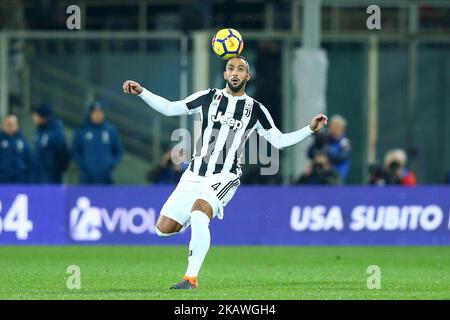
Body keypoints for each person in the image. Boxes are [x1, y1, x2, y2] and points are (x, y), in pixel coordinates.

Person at [122, 56, 328, 289]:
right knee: (163, 229)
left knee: (200, 212)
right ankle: (196, 220)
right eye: (231, 68)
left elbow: (278, 141)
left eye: (241, 69)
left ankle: (190, 278)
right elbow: (170, 108)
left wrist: (309, 129)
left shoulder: (256, 110)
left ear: (248, 77)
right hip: (194, 174)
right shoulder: (208, 97)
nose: (235, 73)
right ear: (225, 74)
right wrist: (142, 92)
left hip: (225, 175)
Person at [72, 101, 123, 184]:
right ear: (90, 114)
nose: (97, 115)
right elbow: (75, 151)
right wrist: (84, 165)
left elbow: (118, 151)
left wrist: (110, 164)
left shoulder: (110, 130)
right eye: (95, 113)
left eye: (100, 112)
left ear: (104, 114)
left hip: (106, 177)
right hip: (86, 177)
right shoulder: (82, 130)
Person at [31, 103, 70, 184]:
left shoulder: (56, 132)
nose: (33, 118)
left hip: (52, 176)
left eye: (35, 115)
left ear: (42, 116)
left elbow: (63, 152)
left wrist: (57, 170)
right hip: (39, 176)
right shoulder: (39, 130)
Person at [307, 114, 351, 181]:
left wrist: (326, 156)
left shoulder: (345, 142)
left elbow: (341, 157)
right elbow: (310, 153)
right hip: (321, 173)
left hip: (337, 175)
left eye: (335, 126)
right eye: (331, 126)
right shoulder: (325, 139)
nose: (332, 128)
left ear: (341, 128)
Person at [0, 114, 33, 183]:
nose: (10, 126)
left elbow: (30, 162)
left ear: (17, 125)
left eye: (12, 124)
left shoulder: (23, 141)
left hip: (19, 181)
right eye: (8, 124)